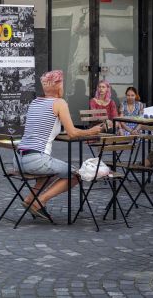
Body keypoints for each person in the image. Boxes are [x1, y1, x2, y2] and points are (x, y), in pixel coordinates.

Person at [15, 70, 104, 221]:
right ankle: (39, 202)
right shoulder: (60, 103)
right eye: (62, 84)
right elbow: (73, 133)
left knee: (50, 172)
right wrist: (92, 130)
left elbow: (43, 126)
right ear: (58, 86)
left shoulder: (35, 102)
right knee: (76, 175)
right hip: (36, 159)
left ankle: (29, 199)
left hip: (19, 158)